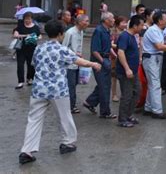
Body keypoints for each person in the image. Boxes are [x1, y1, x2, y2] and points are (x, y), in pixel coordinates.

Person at [19, 20, 101, 165]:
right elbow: (78, 61)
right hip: (58, 90)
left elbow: (35, 64)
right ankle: (67, 143)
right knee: (65, 116)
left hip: (39, 89)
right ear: (60, 34)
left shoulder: (39, 48)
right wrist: (93, 64)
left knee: (34, 120)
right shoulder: (61, 49)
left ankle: (27, 151)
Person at [142, 10, 166, 119]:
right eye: (165, 19)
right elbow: (159, 47)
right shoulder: (154, 30)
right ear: (159, 21)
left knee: (153, 84)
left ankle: (148, 108)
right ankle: (157, 111)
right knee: (155, 85)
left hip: (155, 58)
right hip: (151, 58)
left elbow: (162, 44)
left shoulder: (158, 30)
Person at [83, 12, 116, 119]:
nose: (114, 20)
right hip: (100, 60)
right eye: (112, 18)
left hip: (105, 58)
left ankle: (90, 102)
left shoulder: (107, 31)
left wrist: (114, 55)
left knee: (104, 84)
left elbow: (108, 46)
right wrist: (103, 62)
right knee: (104, 87)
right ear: (106, 20)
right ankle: (105, 112)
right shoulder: (99, 31)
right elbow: (95, 50)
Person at [116, 15, 145, 127]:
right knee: (127, 94)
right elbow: (120, 52)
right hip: (125, 72)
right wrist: (127, 69)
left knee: (137, 91)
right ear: (135, 25)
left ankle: (128, 115)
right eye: (141, 25)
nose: (142, 27)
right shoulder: (124, 36)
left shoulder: (133, 36)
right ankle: (122, 119)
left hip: (134, 70)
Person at [62, 14, 90, 114]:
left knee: (74, 84)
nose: (87, 23)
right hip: (69, 64)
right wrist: (74, 53)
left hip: (77, 62)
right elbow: (64, 48)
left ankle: (70, 104)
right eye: (86, 21)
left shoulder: (81, 32)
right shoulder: (70, 32)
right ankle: (70, 106)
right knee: (71, 85)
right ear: (79, 22)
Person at [13, 12, 41, 89]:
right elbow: (15, 35)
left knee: (31, 65)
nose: (27, 20)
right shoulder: (20, 26)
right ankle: (20, 82)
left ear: (32, 19)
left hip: (32, 49)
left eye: (29, 19)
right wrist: (26, 35)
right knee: (20, 65)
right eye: (26, 19)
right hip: (21, 49)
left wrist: (37, 38)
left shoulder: (35, 27)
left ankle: (29, 79)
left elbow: (39, 35)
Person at [111, 16, 128, 102]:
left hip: (124, 56)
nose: (125, 24)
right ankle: (114, 94)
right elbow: (110, 44)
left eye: (126, 22)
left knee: (124, 76)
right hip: (114, 57)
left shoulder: (126, 32)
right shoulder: (114, 33)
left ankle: (124, 94)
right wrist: (120, 46)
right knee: (114, 77)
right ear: (118, 24)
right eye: (123, 22)